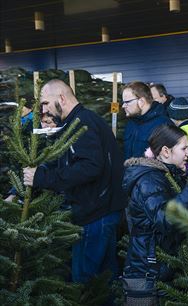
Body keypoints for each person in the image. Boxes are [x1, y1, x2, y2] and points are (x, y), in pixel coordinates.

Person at [22, 79, 126, 283]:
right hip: (101, 210)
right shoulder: (73, 122)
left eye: (45, 103)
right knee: (105, 278)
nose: (43, 110)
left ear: (61, 98)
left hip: (96, 214)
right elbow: (66, 160)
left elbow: (89, 167)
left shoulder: (82, 123)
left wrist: (42, 178)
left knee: (86, 280)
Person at [122, 124, 188, 304]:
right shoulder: (149, 180)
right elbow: (164, 219)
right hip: (149, 272)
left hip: (168, 268)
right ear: (165, 151)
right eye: (184, 148)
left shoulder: (170, 175)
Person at [123, 81, 172, 159]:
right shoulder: (131, 123)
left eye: (127, 102)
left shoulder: (164, 125)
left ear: (141, 102)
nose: (123, 106)